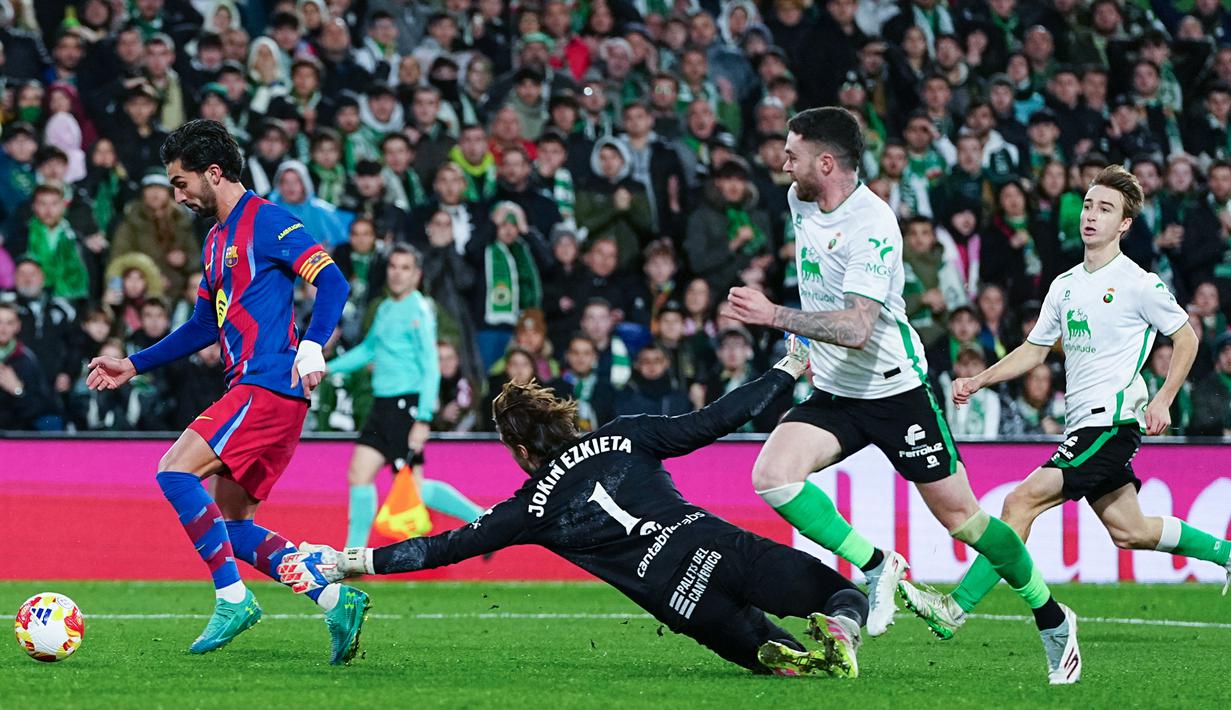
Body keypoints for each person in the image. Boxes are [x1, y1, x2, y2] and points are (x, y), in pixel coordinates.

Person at [726, 107, 1079, 684]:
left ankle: (1051, 614)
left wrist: (774, 316)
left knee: (965, 522)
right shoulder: (800, 197)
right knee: (772, 475)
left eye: (792, 155)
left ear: (827, 162)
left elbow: (860, 328)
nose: (782, 164)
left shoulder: (873, 225)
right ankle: (877, 563)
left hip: (896, 391)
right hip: (837, 388)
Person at [278, 343, 872, 678]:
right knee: (846, 596)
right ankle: (841, 629)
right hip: (716, 548)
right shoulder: (628, 433)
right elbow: (715, 420)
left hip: (681, 601)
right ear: (563, 416)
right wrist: (786, 371)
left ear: (517, 450)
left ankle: (782, 651)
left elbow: (440, 547)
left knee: (777, 667)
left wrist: (345, 561)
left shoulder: (529, 507)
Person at [901, 165, 1231, 643]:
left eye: (1105, 209)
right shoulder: (1065, 285)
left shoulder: (1140, 283)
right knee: (1130, 531)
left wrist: (1163, 398)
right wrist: (980, 379)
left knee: (1020, 501)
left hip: (1112, 425)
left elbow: (1187, 338)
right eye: (1089, 205)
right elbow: (1035, 350)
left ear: (1124, 224)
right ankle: (1225, 553)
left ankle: (955, 608)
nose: (1091, 216)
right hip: (1084, 427)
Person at [83, 120, 368, 664]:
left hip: (266, 385)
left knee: (173, 471)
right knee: (233, 526)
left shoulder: (267, 221)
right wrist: (133, 364)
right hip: (266, 395)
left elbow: (332, 280)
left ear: (214, 173)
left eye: (181, 182)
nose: (178, 195)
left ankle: (232, 599)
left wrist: (312, 344)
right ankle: (336, 600)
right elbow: (200, 328)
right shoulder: (215, 241)